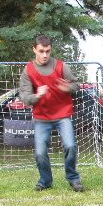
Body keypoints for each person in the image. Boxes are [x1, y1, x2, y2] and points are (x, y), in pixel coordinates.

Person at [19, 35, 84, 192]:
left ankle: (73, 178)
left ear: (51, 49)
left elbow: (76, 85)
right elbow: (25, 98)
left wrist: (68, 87)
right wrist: (37, 96)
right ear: (34, 49)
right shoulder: (28, 70)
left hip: (63, 115)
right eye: (41, 51)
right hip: (42, 117)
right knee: (40, 152)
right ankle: (45, 181)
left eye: (47, 51)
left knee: (70, 145)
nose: (44, 55)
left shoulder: (62, 66)